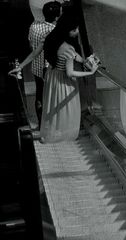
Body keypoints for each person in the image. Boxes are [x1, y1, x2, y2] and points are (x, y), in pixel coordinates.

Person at [8, 1, 75, 129]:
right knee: (55, 97)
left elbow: (32, 48)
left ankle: (42, 124)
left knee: (40, 95)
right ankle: (57, 124)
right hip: (52, 70)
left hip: (37, 68)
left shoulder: (34, 26)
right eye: (61, 11)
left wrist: (20, 66)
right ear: (56, 17)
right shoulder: (56, 31)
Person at [39, 13, 98, 143]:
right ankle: (65, 136)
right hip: (64, 81)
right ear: (66, 30)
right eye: (74, 29)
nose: (77, 32)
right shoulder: (68, 48)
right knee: (66, 107)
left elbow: (77, 57)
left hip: (53, 76)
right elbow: (70, 73)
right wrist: (91, 72)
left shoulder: (52, 40)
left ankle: (52, 133)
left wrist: (86, 61)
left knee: (53, 106)